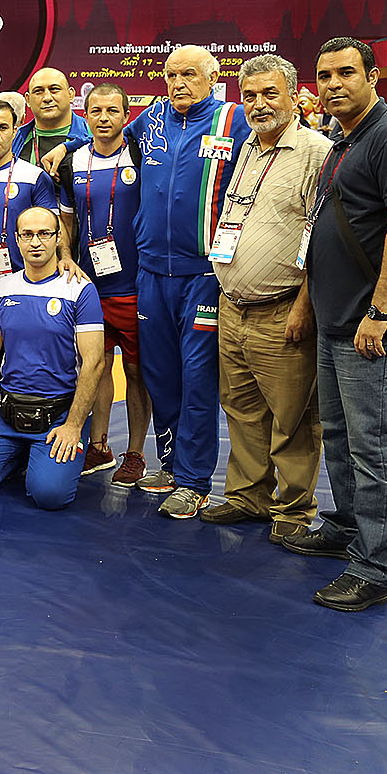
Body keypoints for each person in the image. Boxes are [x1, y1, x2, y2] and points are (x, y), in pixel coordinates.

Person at [285, 37, 387, 612]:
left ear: (373, 76)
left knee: (374, 448)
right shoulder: (344, 141)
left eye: (346, 72)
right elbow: (323, 227)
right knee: (341, 437)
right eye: (324, 75)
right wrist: (309, 303)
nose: (333, 84)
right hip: (335, 319)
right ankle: (346, 525)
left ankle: (373, 568)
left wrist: (380, 311)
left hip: (369, 327)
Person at [200, 54, 331, 545]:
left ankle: (293, 510)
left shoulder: (316, 152)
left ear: (294, 97)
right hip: (233, 305)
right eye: (249, 95)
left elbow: (320, 241)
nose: (258, 104)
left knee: (293, 416)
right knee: (241, 409)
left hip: (283, 308)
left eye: (269, 94)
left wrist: (304, 306)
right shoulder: (249, 148)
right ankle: (248, 496)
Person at [124, 44, 254, 518]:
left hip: (203, 276)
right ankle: (171, 465)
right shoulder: (150, 120)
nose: (178, 83)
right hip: (151, 273)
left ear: (213, 78)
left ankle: (195, 481)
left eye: (189, 75)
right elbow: (113, 144)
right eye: (171, 74)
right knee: (159, 373)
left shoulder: (235, 120)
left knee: (198, 378)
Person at [0, 206, 104, 509]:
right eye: (28, 235)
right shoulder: (2, 288)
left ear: (58, 238)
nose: (36, 242)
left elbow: (94, 362)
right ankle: (20, 453)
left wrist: (73, 425)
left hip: (59, 416)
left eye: (44, 234)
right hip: (8, 413)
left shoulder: (80, 290)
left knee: (50, 495)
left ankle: (39, 456)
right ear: (17, 239)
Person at [55, 82, 151, 483]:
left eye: (113, 111)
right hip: (89, 286)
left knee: (137, 372)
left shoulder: (142, 155)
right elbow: (66, 220)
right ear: (86, 115)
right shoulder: (72, 162)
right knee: (95, 367)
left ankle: (136, 452)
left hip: (135, 286)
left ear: (126, 116)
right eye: (96, 111)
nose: (104, 118)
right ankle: (98, 447)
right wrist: (64, 255)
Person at [0, 98, 62, 280]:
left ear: (14, 131)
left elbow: (53, 230)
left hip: (22, 279)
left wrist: (65, 258)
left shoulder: (34, 177)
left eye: (2, 128)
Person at [15, 67, 91, 169]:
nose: (47, 98)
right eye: (38, 91)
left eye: (54, 89)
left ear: (71, 95)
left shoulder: (93, 134)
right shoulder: (14, 139)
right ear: (28, 100)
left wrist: (67, 147)